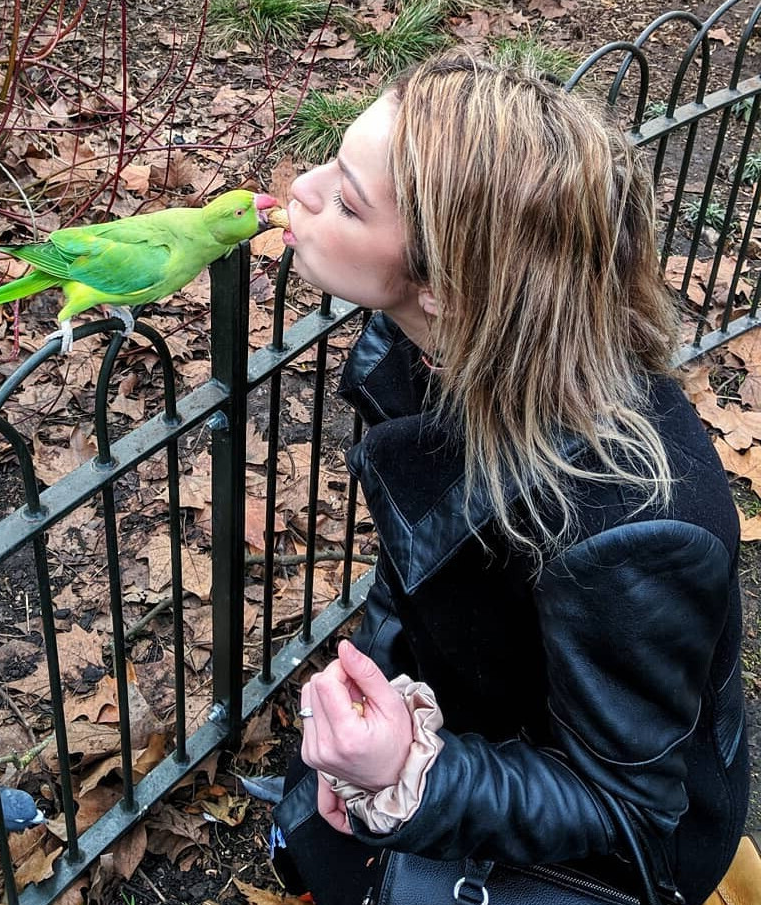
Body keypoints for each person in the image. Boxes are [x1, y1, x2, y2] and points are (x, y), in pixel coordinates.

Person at [270, 53, 750, 905]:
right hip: (485, 716)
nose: (300, 189)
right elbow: (426, 578)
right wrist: (377, 697)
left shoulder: (634, 529)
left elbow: (632, 814)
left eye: (347, 199)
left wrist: (411, 775)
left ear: (449, 286)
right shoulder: (432, 356)